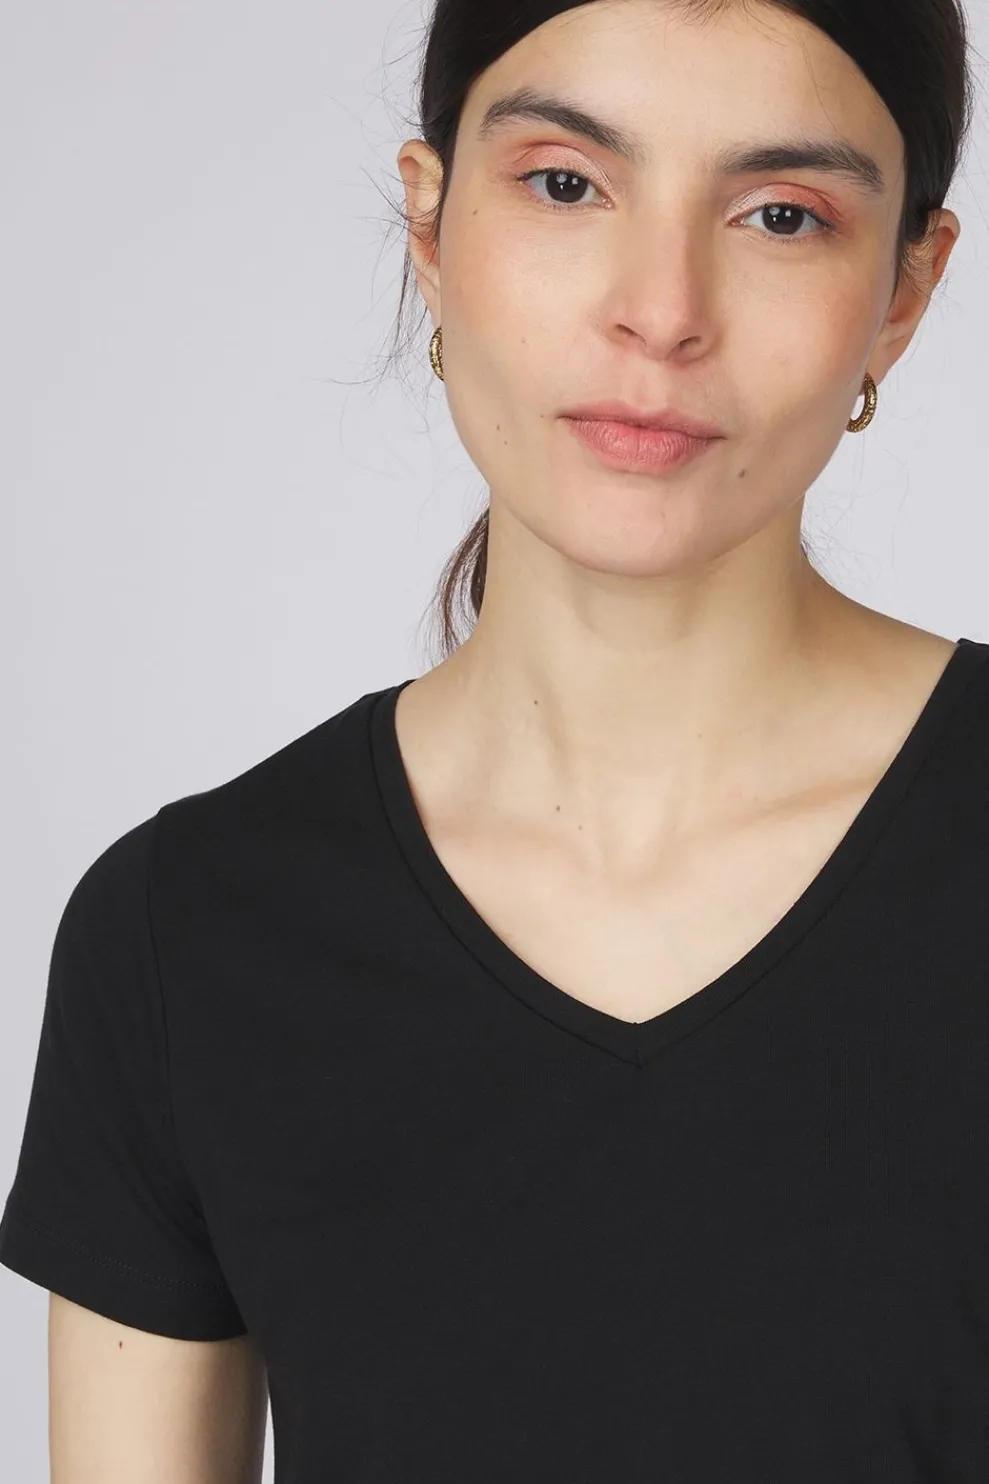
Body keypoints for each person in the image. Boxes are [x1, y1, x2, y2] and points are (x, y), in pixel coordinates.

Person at [1, 0, 984, 1478]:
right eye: (567, 183)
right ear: (430, 221)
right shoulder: (185, 931)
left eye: (781, 215)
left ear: (906, 289)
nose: (661, 310)